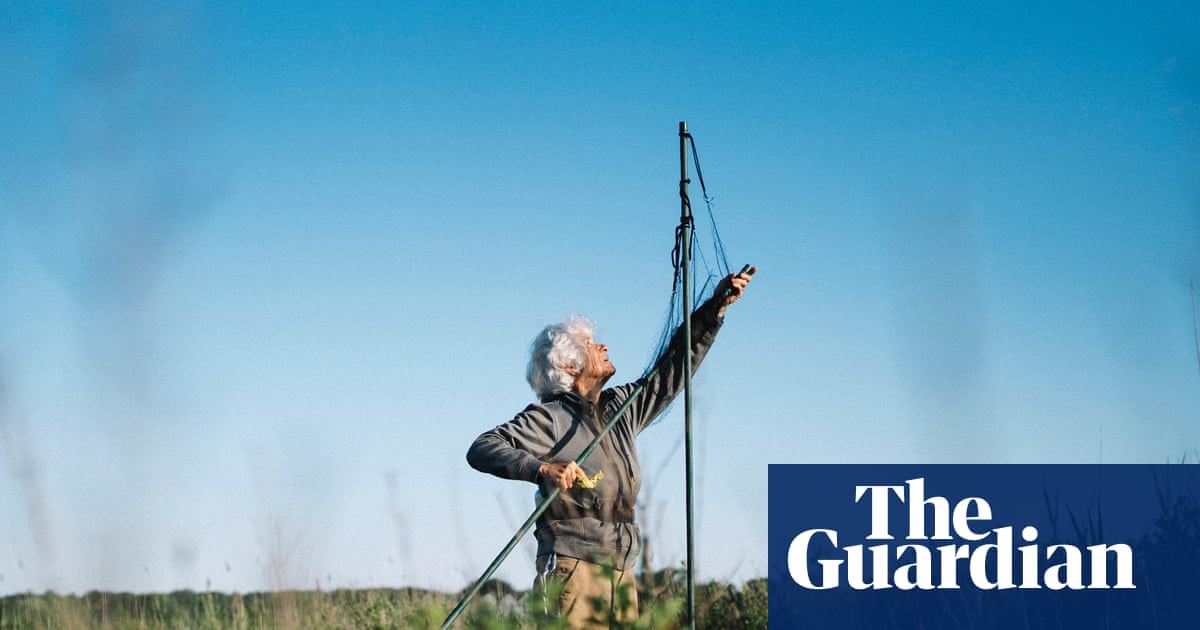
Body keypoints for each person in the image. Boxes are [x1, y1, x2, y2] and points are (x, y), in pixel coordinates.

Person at [466, 268, 754, 628]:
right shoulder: (549, 418)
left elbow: (672, 368)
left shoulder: (622, 407)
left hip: (621, 570)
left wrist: (715, 308)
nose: (603, 346)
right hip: (573, 569)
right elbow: (482, 447)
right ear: (569, 364)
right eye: (591, 344)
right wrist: (541, 469)